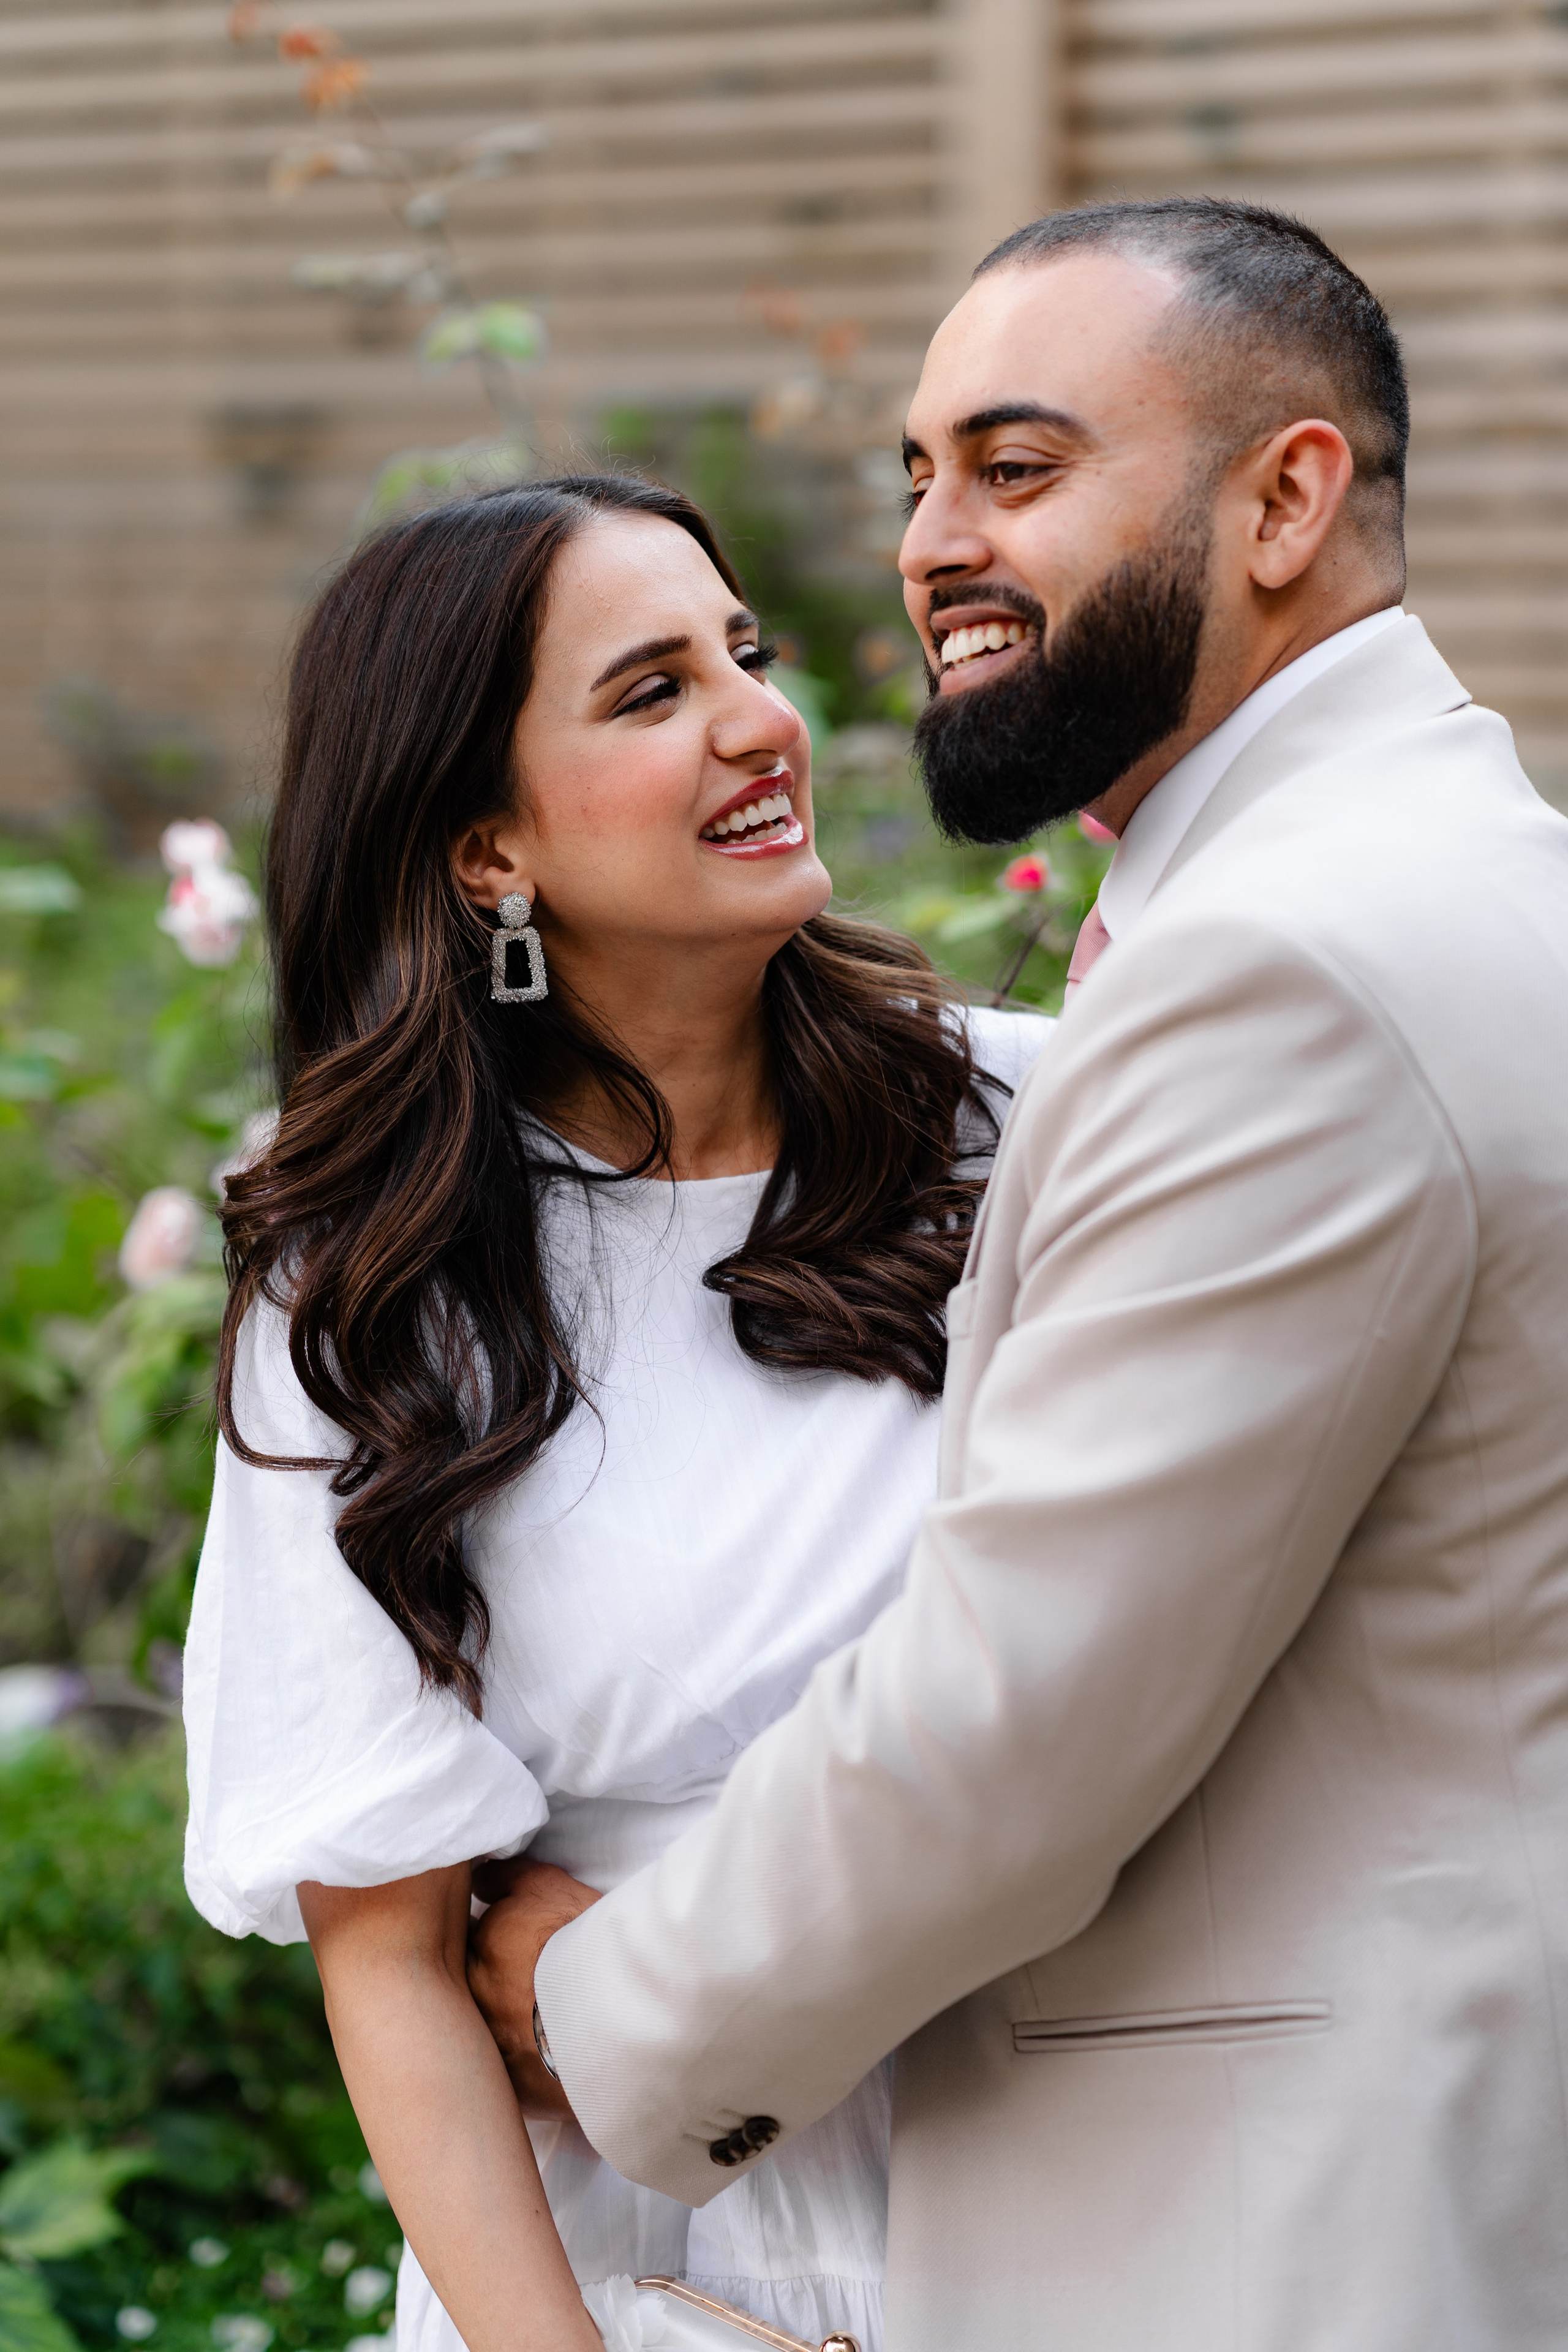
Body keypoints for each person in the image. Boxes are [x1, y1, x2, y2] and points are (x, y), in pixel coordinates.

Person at [472, 202, 1568, 2349]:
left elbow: (1023, 1717)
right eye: (913, 475)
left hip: (1262, 2233)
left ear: (1287, 498)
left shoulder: (1284, 965)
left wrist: (608, 2016)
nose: (927, 542)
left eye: (1019, 464)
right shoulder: (1462, 870)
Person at [179, 472, 1049, 2352]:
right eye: (651, 692)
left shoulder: (1032, 1124)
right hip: (616, 2250)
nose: (761, 719)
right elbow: (394, 1960)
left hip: (1058, 2160)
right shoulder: (371, 1279)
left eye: (743, 651)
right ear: (486, 849)